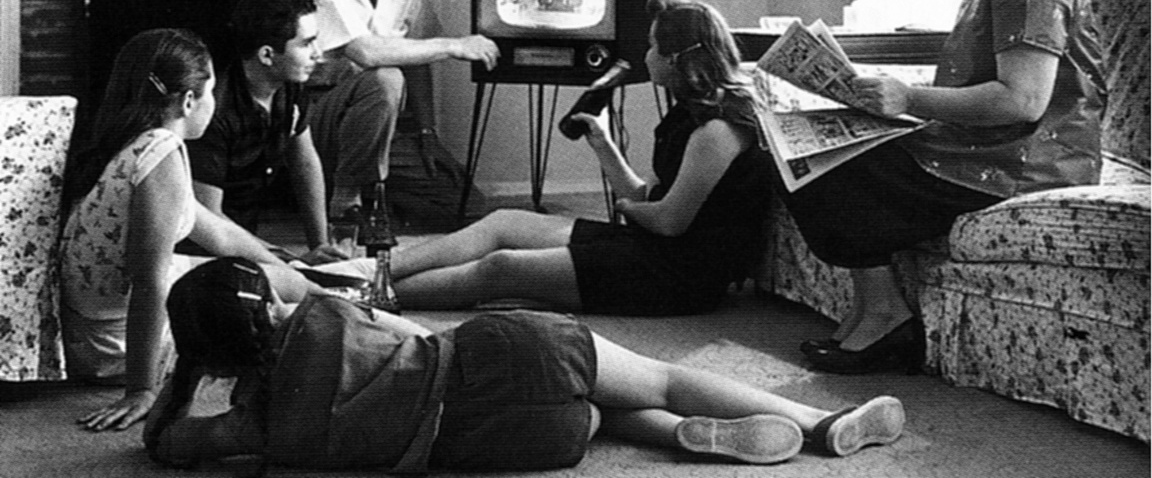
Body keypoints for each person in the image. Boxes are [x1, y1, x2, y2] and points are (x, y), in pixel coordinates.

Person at [785, 0, 1107, 374]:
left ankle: (885, 319)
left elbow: (1022, 101)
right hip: (988, 148)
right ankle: (872, 313)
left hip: (1024, 163)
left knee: (828, 167)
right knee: (810, 153)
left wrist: (906, 98)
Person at [143, 257, 906, 470]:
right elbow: (399, 322)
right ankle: (817, 419)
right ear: (268, 304)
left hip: (505, 446)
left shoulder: (256, 428)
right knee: (658, 371)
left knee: (597, 416)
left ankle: (678, 437)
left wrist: (181, 380)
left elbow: (167, 444)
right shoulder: (321, 312)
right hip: (504, 358)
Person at [386, 0, 777, 315]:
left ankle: (371, 298)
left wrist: (626, 212)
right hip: (651, 247)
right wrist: (603, 143)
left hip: (678, 276)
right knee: (503, 223)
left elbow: (667, 221)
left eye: (653, 46)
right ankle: (374, 270)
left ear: (676, 59)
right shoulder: (689, 113)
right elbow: (646, 198)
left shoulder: (718, 130)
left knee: (502, 266)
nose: (646, 56)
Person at [59, 29, 319, 432]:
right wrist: (141, 389)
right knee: (270, 302)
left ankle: (342, 290)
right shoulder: (161, 151)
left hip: (92, 328)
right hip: (113, 342)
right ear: (188, 101)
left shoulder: (135, 141)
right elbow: (149, 282)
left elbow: (217, 233)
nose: (215, 102)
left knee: (287, 279)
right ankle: (352, 305)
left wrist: (293, 265)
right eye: (212, 90)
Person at [285, 0, 500, 220]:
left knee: (467, 207)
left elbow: (416, 55)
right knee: (386, 77)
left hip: (377, 129)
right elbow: (365, 52)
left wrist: (427, 132)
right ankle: (346, 197)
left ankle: (367, 186)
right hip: (313, 122)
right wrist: (454, 45)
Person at [185, 0, 342, 264]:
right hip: (204, 252)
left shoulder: (290, 89)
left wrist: (321, 245)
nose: (318, 55)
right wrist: (288, 260)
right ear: (267, 55)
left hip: (250, 241)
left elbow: (305, 163)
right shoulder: (215, 112)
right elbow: (209, 220)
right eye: (307, 44)